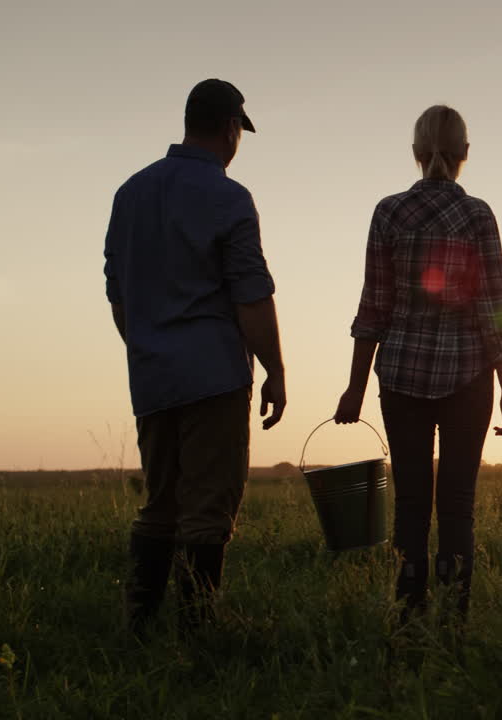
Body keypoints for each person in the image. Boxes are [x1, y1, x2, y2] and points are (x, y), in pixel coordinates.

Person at [104, 79, 286, 636]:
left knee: (159, 504)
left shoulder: (130, 192)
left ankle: (139, 630)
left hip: (152, 378)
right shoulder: (229, 197)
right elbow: (251, 295)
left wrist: (148, 348)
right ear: (232, 129)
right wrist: (275, 369)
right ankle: (196, 639)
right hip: (214, 379)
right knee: (208, 509)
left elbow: (118, 295)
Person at [334, 105, 502, 623]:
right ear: (465, 154)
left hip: (400, 378)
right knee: (457, 505)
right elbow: (494, 309)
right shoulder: (478, 215)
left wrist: (354, 388)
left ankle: (409, 619)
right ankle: (454, 623)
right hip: (469, 381)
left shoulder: (388, 212)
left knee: (412, 504)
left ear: (415, 153)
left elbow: (374, 306)